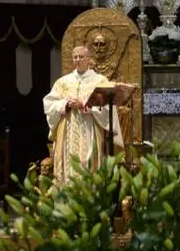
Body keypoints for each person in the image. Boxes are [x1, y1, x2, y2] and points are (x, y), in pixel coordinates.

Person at [43, 46, 122, 184]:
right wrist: (65, 104)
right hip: (68, 131)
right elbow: (49, 104)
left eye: (81, 57)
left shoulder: (100, 81)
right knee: (68, 167)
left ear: (89, 60)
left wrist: (84, 104)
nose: (78, 60)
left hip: (90, 129)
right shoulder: (63, 82)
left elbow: (108, 108)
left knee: (88, 164)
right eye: (75, 57)